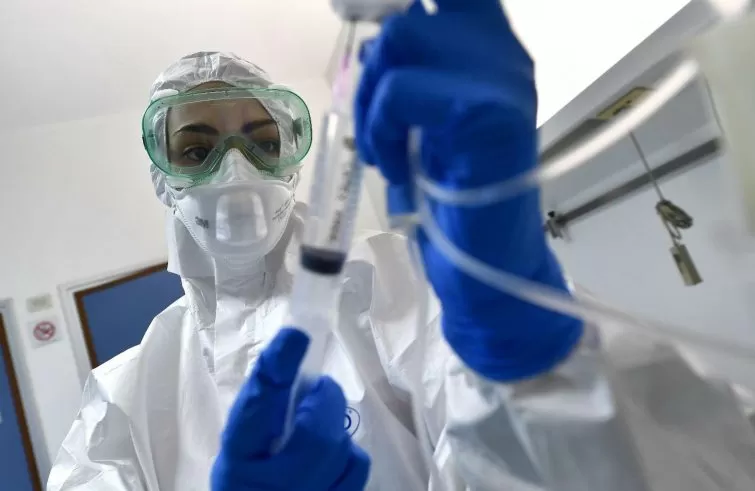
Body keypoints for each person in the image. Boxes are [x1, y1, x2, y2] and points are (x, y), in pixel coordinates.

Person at [49, 1, 755, 490]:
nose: (235, 170)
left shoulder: (406, 283)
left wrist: (532, 363)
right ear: (163, 177)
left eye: (262, 142)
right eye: (196, 149)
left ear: (295, 158)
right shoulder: (123, 399)